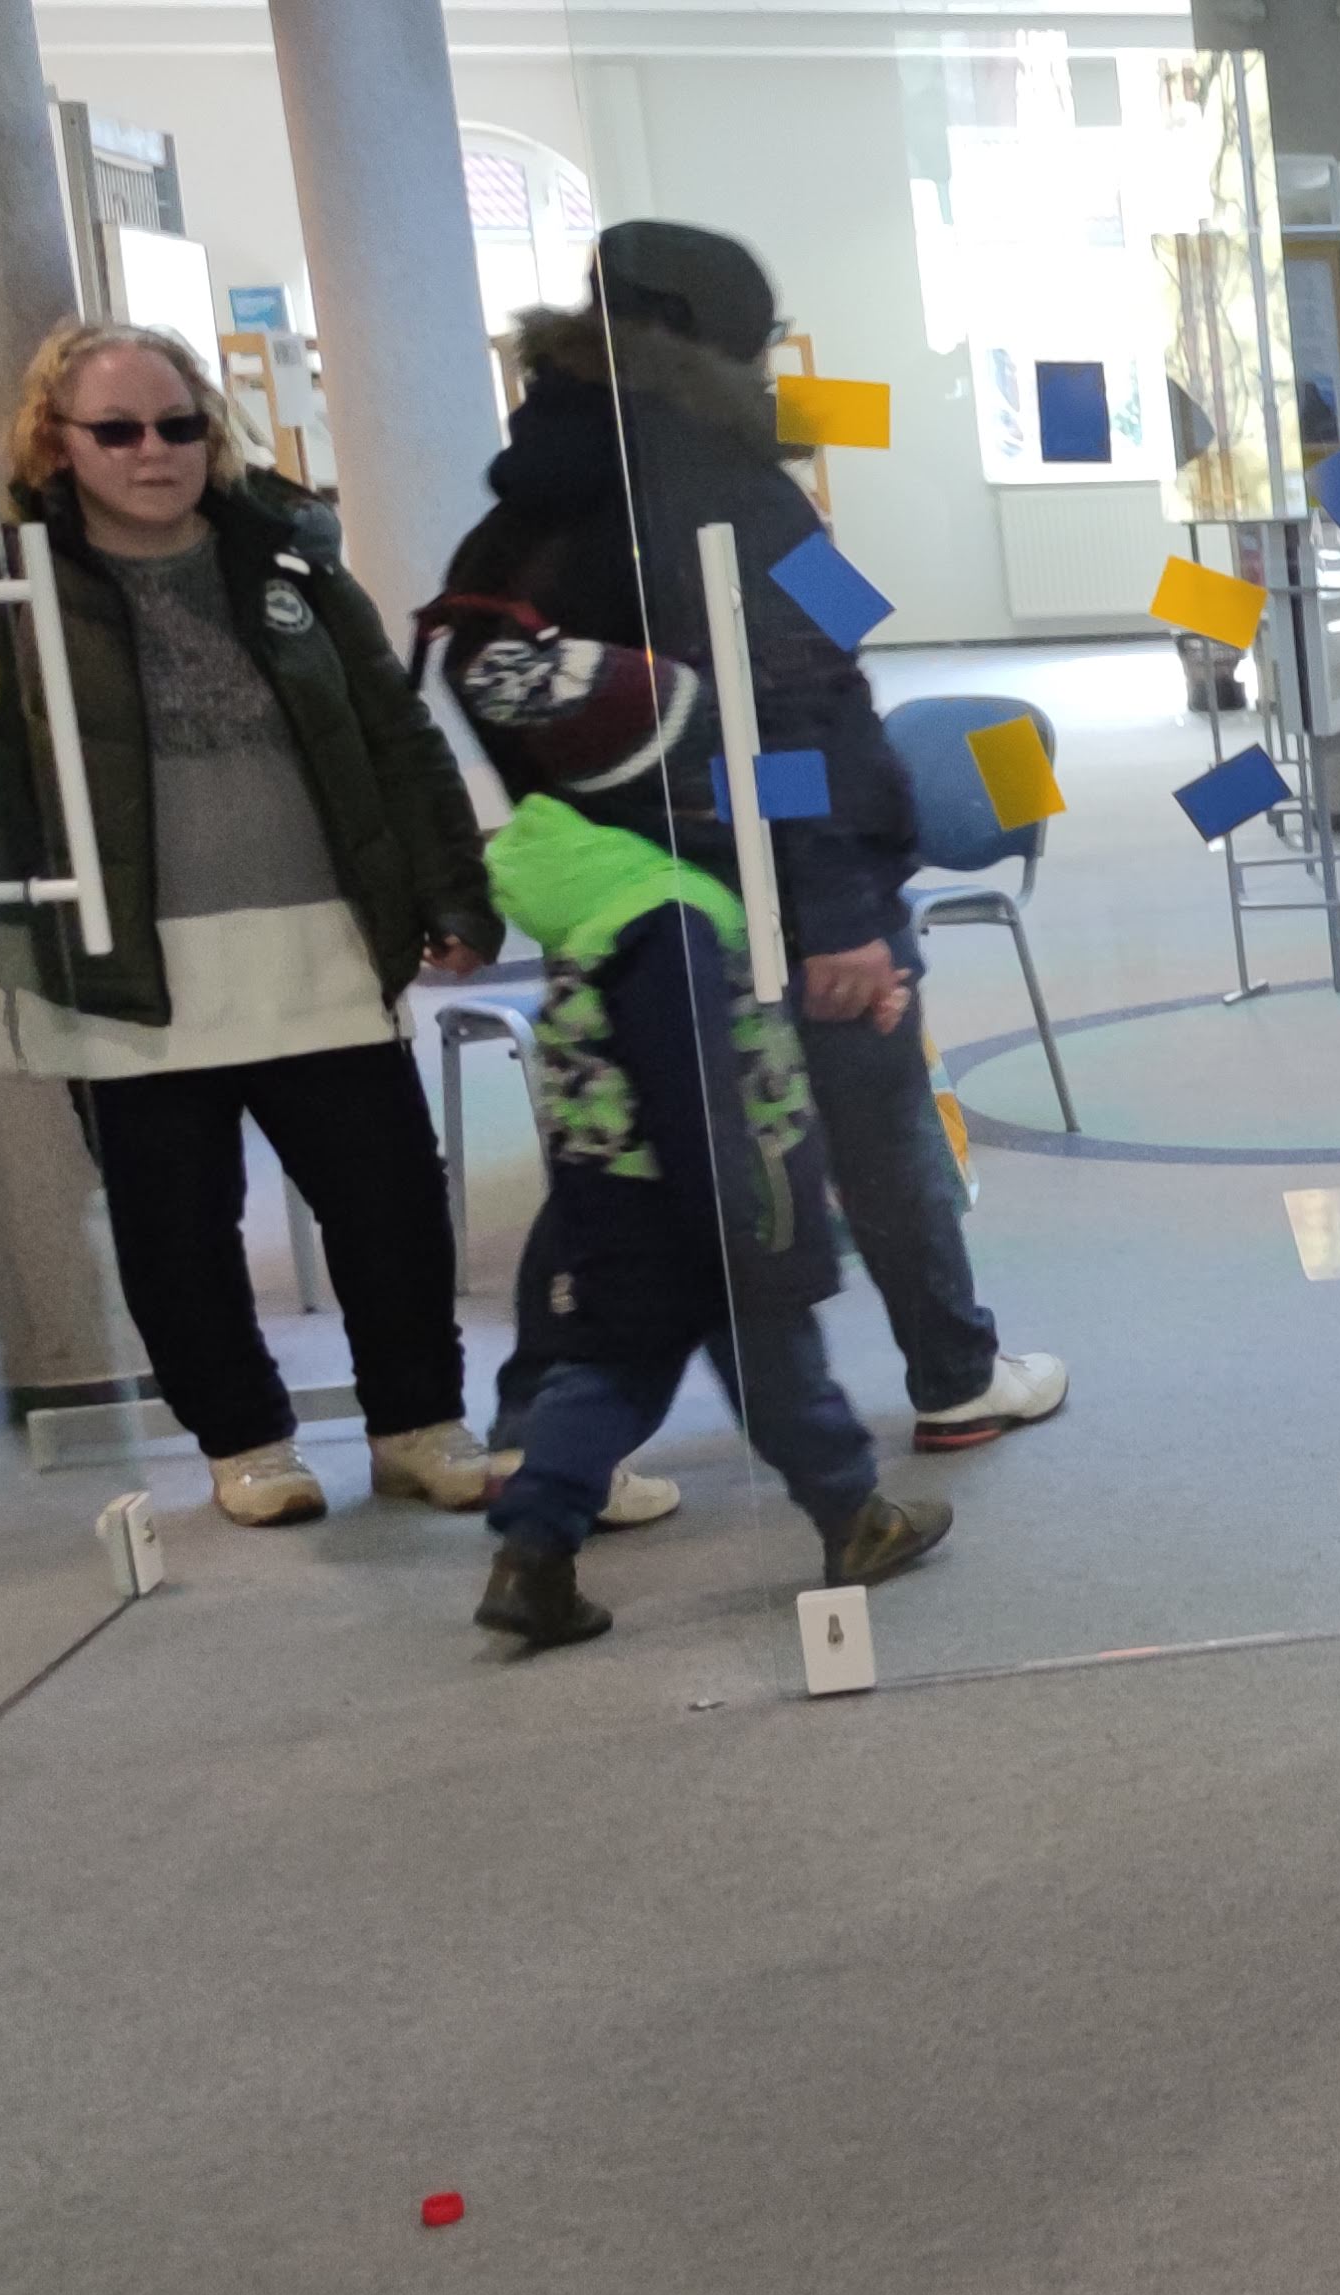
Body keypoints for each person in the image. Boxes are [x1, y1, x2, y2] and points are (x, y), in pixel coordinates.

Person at [445, 220, 1067, 1454]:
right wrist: (841, 914)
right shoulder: (734, 484)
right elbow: (809, 700)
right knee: (878, 1127)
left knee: (617, 1156)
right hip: (777, 882)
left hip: (623, 888)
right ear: (719, 338)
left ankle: (539, 1428)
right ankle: (954, 1373)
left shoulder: (535, 486)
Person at [0, 320, 501, 1528]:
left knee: (389, 1203)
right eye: (117, 430)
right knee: (177, 1228)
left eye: (179, 425)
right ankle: (245, 1443)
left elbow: (398, 737)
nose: (154, 451)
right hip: (127, 967)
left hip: (322, 948)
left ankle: (419, 1425)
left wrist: (455, 893)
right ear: (56, 442)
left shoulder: (293, 563)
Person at [461, 787, 950, 1647]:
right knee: (782, 1367)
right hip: (709, 1194)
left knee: (606, 1375)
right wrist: (738, 1221)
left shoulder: (595, 913)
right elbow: (693, 1081)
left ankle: (531, 1553)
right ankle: (855, 1517)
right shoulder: (669, 918)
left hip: (611, 1195)